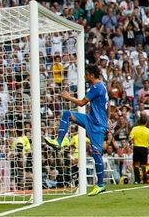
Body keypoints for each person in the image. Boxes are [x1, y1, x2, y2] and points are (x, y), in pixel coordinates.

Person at [44, 65, 109, 196]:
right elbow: (108, 104)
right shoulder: (101, 87)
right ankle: (58, 141)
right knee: (67, 114)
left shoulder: (97, 87)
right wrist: (109, 119)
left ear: (92, 75)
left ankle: (101, 184)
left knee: (96, 153)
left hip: (97, 125)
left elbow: (81, 103)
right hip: (91, 119)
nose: (85, 77)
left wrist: (68, 97)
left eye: (86, 74)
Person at [129, 114, 149, 184]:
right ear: (146, 122)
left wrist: (131, 143)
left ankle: (137, 180)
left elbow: (130, 138)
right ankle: (144, 178)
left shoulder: (135, 129)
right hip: (144, 148)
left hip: (136, 147)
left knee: (136, 164)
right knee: (143, 164)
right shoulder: (148, 131)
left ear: (139, 121)